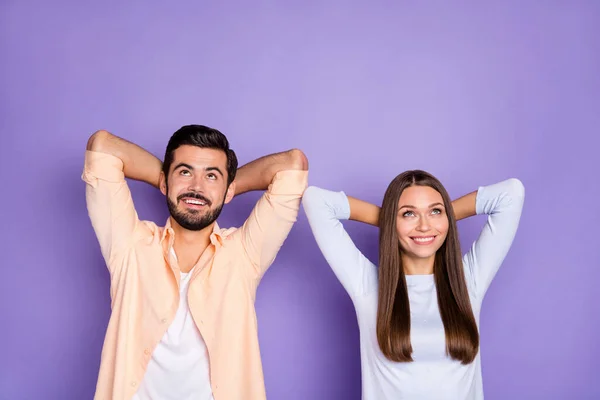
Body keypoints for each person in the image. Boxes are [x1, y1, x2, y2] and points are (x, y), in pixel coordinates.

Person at [82, 125, 308, 400]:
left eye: (211, 176)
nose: (196, 187)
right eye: (185, 172)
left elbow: (292, 165)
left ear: (228, 190)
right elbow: (102, 146)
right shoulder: (130, 245)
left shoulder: (244, 254)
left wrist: (221, 188)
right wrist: (180, 183)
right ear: (165, 181)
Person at [302, 170, 524, 399]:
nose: (424, 226)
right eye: (409, 214)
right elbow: (316, 201)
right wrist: (391, 221)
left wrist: (438, 220)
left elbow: (511, 193)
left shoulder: (469, 281)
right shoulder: (367, 285)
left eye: (435, 211)